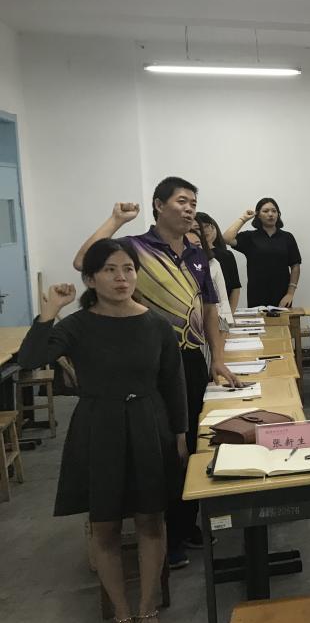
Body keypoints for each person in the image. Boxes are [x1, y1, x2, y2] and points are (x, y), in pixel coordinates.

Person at [20, 239, 187, 623]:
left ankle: (147, 609)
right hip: (99, 426)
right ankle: (122, 614)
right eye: (110, 270)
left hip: (148, 422)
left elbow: (173, 381)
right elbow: (30, 360)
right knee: (105, 525)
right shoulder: (77, 325)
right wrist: (49, 312)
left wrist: (181, 433)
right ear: (91, 279)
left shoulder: (156, 325)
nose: (121, 278)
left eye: (128, 269)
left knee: (151, 520)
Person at [73, 178, 238, 570]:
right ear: (159, 205)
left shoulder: (198, 255)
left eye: (194, 202)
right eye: (182, 201)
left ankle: (185, 523)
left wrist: (217, 357)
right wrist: (115, 221)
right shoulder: (135, 248)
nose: (190, 208)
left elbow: (209, 310)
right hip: (148, 364)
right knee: (160, 449)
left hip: (191, 360)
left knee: (192, 443)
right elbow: (83, 262)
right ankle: (165, 536)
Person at [223, 198, 302, 308]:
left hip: (282, 295)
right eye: (265, 211)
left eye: (274, 211)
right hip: (256, 295)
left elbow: (295, 266)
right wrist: (243, 219)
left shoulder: (287, 237)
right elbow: (226, 238)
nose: (270, 214)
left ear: (278, 214)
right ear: (258, 215)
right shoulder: (250, 237)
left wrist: (290, 294)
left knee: (283, 319)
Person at [195, 212, 241, 313]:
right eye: (199, 228)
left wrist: (230, 314)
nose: (204, 230)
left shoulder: (226, 255)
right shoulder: (191, 255)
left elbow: (235, 288)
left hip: (223, 312)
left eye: (207, 226)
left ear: (213, 227)